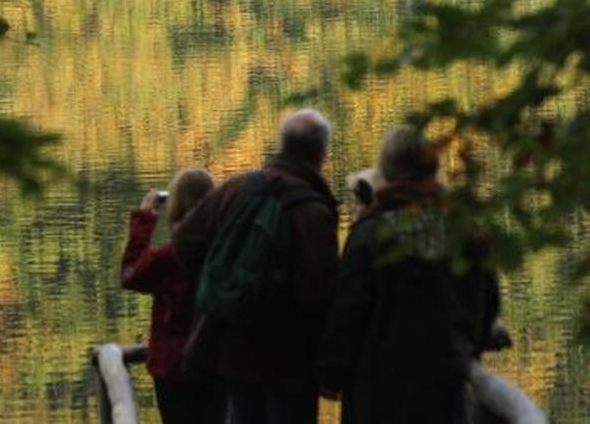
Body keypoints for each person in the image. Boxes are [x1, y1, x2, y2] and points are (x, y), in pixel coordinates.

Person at [317, 126, 501, 424]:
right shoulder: (464, 229)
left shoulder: (371, 234)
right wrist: (469, 348)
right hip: (445, 383)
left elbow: (348, 311)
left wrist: (331, 373)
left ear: (386, 173)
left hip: (379, 391)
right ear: (434, 167)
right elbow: (487, 298)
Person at [173, 109, 340, 424]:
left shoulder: (238, 188)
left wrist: (223, 282)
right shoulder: (313, 211)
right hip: (290, 356)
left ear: (282, 145)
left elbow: (184, 241)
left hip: (232, 345)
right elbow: (319, 292)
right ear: (322, 154)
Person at [120, 168, 226, 424]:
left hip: (174, 368)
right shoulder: (226, 251)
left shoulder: (168, 257)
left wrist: (145, 218)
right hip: (219, 364)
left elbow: (130, 275)